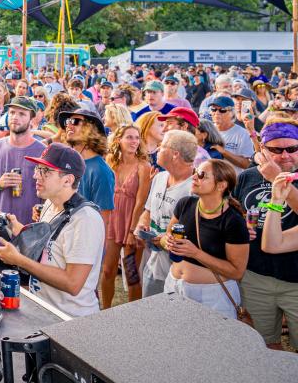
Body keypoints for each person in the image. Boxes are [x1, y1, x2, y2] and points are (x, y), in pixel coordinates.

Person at [0, 143, 105, 317]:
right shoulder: (50, 204)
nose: (35, 175)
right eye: (38, 168)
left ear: (68, 180)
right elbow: (49, 248)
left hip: (70, 322)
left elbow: (73, 283)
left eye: (46, 171)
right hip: (45, 311)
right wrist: (18, 229)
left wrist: (20, 260)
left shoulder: (85, 220)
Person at [232, 120, 298, 349]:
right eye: (276, 150)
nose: (285, 155)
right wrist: (240, 224)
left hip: (296, 280)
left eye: (292, 148)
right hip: (256, 276)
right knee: (263, 344)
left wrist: (277, 179)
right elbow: (236, 209)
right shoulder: (248, 176)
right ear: (262, 150)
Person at [163, 159, 249, 319]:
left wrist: (195, 253)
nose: (194, 177)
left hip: (212, 296)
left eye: (201, 175)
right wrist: (166, 242)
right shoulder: (185, 204)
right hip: (173, 286)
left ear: (221, 185)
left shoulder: (233, 221)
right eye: (195, 172)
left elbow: (237, 272)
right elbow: (166, 237)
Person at [0, 97, 46, 270]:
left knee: (25, 291)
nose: (15, 117)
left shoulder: (43, 152)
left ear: (32, 119)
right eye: (12, 112)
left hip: (29, 235)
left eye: (22, 113)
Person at [134, 130, 197, 297]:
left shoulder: (194, 188)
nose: (157, 149)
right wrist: (142, 223)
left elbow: (194, 233)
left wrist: (164, 239)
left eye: (162, 146)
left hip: (181, 274)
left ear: (175, 154)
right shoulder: (159, 177)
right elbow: (147, 211)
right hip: (154, 265)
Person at [100, 125, 153, 307]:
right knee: (107, 271)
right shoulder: (109, 161)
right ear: (118, 140)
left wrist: (132, 231)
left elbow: (141, 201)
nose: (134, 141)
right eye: (129, 137)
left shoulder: (143, 166)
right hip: (112, 222)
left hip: (132, 221)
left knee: (131, 274)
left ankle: (133, 315)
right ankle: (105, 311)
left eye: (137, 138)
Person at [58, 105, 115, 226]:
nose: (68, 125)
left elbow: (103, 221)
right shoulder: (68, 163)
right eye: (68, 121)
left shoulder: (101, 171)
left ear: (91, 129)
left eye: (75, 121)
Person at [208, 96, 255, 169]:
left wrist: (224, 152)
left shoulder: (242, 134)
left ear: (232, 113)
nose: (216, 113)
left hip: (234, 179)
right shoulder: (207, 130)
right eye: (213, 109)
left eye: (222, 110)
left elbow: (248, 164)